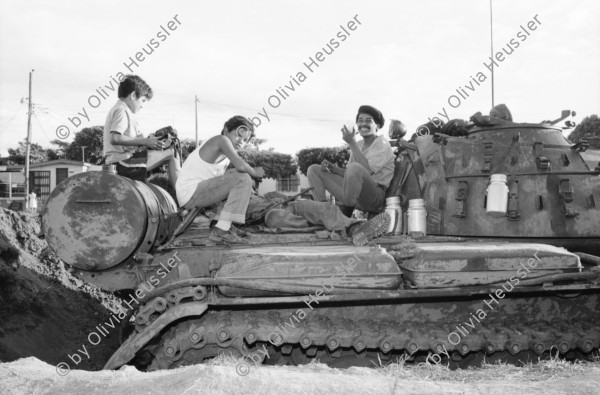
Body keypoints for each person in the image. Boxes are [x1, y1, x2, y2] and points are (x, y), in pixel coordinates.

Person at [175, 115, 265, 244]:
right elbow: (240, 165)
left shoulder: (225, 152)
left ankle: (222, 224)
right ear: (226, 129)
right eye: (238, 135)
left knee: (237, 175)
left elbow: (224, 176)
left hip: (194, 193)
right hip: (191, 193)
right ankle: (221, 230)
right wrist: (255, 172)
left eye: (245, 140)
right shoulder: (221, 140)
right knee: (243, 178)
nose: (241, 141)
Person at [308, 105, 395, 215]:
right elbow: (350, 175)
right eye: (360, 121)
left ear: (377, 125)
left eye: (368, 121)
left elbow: (366, 170)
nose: (363, 124)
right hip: (355, 196)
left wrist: (351, 143)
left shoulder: (382, 144)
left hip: (375, 197)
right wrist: (333, 169)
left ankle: (345, 216)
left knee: (355, 167)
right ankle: (324, 214)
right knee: (314, 170)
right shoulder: (358, 144)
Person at [103, 75, 180, 187]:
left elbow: (139, 141)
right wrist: (146, 141)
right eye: (143, 100)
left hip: (122, 161)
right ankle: (182, 197)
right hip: (122, 163)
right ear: (133, 95)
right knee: (171, 154)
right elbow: (115, 138)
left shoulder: (125, 111)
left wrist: (153, 140)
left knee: (168, 151)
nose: (142, 105)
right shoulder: (121, 110)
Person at [264, 200, 391, 246]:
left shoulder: (297, 207)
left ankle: (355, 228)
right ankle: (354, 229)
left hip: (289, 208)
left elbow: (327, 210)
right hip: (275, 218)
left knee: (326, 212)